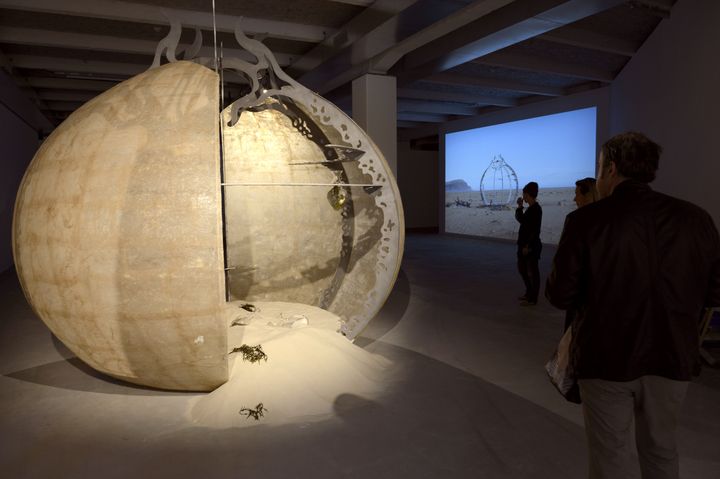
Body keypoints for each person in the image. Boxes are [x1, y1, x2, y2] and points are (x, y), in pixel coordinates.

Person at [545, 132, 720, 479]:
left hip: (606, 361)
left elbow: (559, 295)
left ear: (611, 168)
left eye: (598, 168)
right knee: (662, 451)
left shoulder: (585, 222)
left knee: (610, 458)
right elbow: (716, 294)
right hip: (673, 358)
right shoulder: (696, 219)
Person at [562, 177, 598, 331]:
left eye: (577, 193)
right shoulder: (614, 220)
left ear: (587, 195)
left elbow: (567, 265)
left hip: (582, 299)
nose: (574, 198)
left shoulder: (576, 221)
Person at [515, 181, 542, 306]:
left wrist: (528, 246)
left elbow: (535, 230)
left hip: (530, 246)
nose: (523, 196)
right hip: (524, 245)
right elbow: (522, 220)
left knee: (532, 272)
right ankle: (529, 293)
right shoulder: (531, 209)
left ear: (528, 194)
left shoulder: (536, 209)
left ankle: (532, 298)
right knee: (523, 269)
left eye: (524, 194)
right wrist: (520, 207)